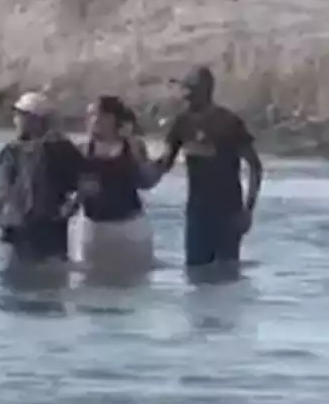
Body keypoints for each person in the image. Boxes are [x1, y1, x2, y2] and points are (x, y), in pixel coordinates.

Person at [156, 65, 264, 271]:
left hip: (228, 212)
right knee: (195, 274)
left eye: (190, 90)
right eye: (184, 90)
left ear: (206, 91)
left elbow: (255, 166)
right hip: (197, 212)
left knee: (228, 275)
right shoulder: (182, 122)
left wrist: (248, 210)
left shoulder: (229, 122)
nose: (185, 96)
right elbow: (164, 162)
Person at [0, 92, 86, 267]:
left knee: (47, 285)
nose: (16, 120)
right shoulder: (11, 151)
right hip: (14, 232)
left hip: (48, 232)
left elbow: (85, 181)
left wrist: (72, 205)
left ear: (37, 120)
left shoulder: (59, 149)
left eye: (21, 116)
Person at [73, 95, 160, 275]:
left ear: (111, 119)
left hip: (130, 228)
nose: (89, 121)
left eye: (94, 115)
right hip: (92, 229)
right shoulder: (81, 150)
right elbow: (69, 188)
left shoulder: (133, 146)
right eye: (88, 116)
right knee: (89, 284)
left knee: (134, 284)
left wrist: (134, 150)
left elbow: (147, 182)